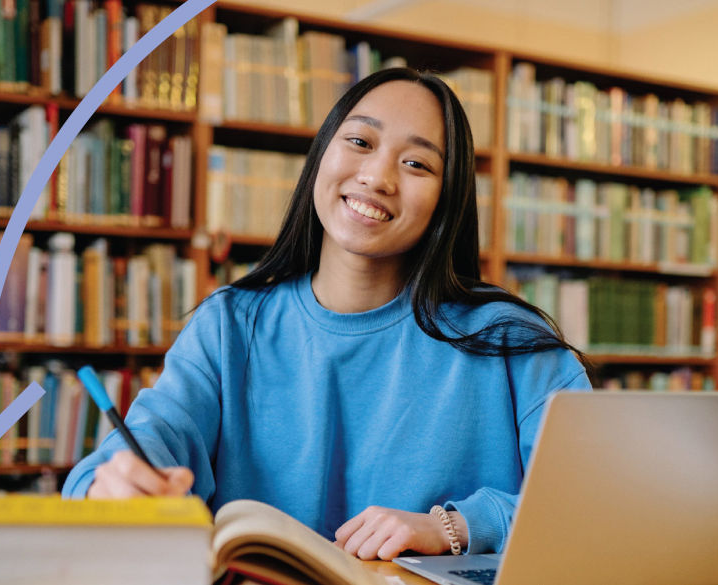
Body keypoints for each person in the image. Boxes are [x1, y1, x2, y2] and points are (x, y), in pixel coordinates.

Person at [62, 67, 593, 560]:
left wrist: (454, 527)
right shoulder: (228, 327)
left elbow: (594, 505)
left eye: (417, 163)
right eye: (360, 142)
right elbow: (156, 433)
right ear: (321, 156)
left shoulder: (512, 342)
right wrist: (113, 480)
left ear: (447, 197)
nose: (378, 177)